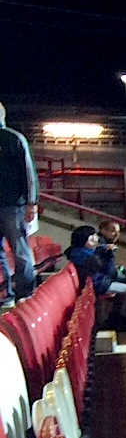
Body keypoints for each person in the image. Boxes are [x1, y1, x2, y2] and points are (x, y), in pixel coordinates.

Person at [0, 101, 39, 304]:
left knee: (20, 250)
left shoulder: (14, 138)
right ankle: (6, 294)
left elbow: (28, 172)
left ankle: (25, 294)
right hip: (10, 206)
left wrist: (31, 202)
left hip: (13, 205)